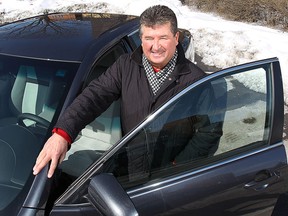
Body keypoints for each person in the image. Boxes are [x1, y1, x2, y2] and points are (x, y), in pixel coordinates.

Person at [33, 4, 206, 178]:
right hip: (130, 172)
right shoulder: (125, 66)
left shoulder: (195, 80)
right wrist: (63, 133)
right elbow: (93, 96)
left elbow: (208, 132)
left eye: (163, 38)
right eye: (149, 38)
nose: (155, 46)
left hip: (170, 179)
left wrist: (179, 167)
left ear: (176, 38)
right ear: (141, 38)